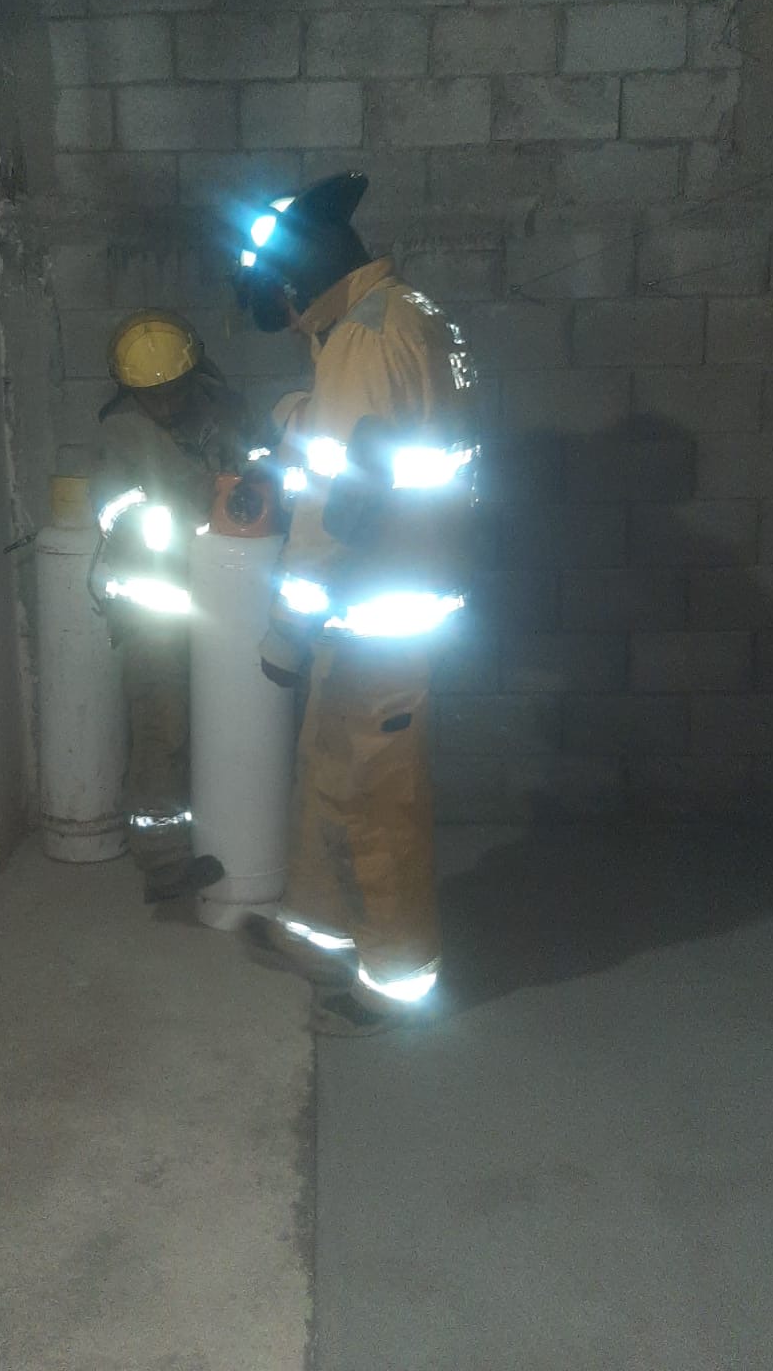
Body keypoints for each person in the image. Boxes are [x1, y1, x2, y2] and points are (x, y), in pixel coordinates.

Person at [233, 174, 479, 1035]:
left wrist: (284, 634)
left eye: (286, 303)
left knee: (374, 799)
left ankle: (393, 984)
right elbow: (388, 439)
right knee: (328, 771)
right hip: (380, 604)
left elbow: (339, 513)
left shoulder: (365, 341)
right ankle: (319, 932)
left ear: (301, 279)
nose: (291, 319)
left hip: (377, 611)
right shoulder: (408, 317)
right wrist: (298, 415)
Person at [91, 309, 255, 902]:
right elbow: (119, 516)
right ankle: (163, 864)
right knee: (163, 728)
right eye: (149, 395)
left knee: (232, 725)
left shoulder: (226, 412)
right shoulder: (119, 434)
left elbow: (260, 476)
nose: (163, 405)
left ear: (192, 376)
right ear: (129, 391)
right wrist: (195, 510)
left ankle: (235, 838)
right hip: (156, 610)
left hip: (230, 600)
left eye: (173, 391)